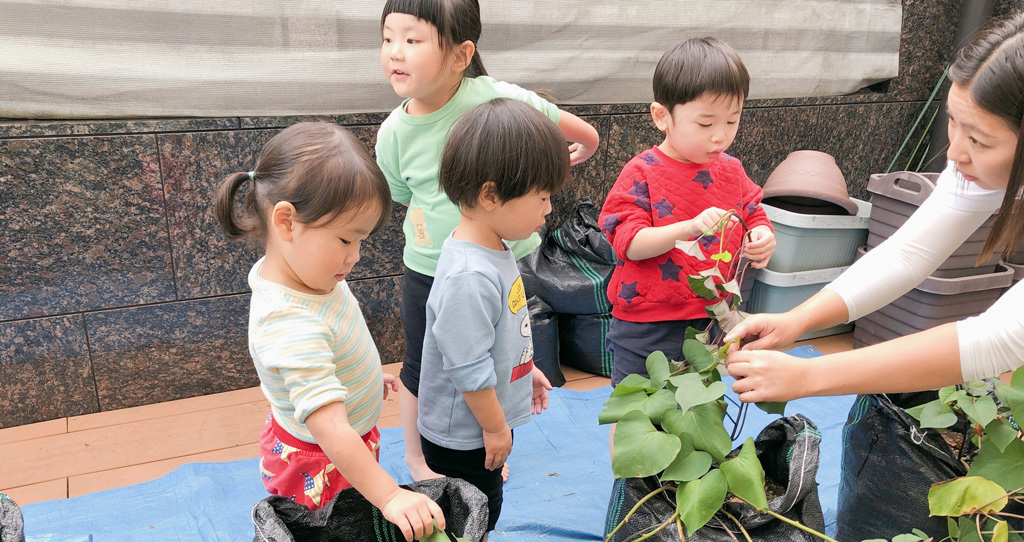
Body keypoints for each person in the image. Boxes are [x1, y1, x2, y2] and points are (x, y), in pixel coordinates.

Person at [724, 11, 1024, 403]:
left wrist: (810, 375)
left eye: (979, 141)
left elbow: (1000, 339)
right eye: (953, 122)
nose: (954, 152)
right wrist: (797, 319)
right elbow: (909, 252)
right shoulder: (970, 157)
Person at [376, 0, 601, 481]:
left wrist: (545, 173)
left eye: (412, 40)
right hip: (430, 266)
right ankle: (420, 459)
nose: (395, 52)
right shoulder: (394, 131)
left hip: (502, 260)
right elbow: (398, 194)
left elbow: (584, 136)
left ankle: (486, 441)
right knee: (423, 363)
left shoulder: (494, 98)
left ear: (460, 55)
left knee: (501, 346)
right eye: (388, 38)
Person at [215, 122, 445, 542]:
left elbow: (334, 343)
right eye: (345, 239)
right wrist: (391, 495)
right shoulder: (289, 323)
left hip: (342, 443)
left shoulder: (310, 274)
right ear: (286, 222)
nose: (355, 256)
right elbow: (330, 429)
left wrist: (361, 378)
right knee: (331, 540)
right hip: (319, 462)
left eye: (361, 241)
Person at [417, 98, 569, 542]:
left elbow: (501, 337)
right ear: (490, 195)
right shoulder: (468, 275)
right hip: (465, 431)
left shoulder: (496, 247)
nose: (549, 209)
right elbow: (466, 367)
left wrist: (529, 370)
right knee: (464, 516)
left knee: (487, 504)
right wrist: (496, 427)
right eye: (543, 196)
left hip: (486, 422)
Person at [599, 37, 776, 385]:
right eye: (706, 124)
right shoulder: (641, 172)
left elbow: (753, 211)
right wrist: (687, 228)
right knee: (639, 407)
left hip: (712, 317)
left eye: (732, 122)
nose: (719, 137)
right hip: (647, 322)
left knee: (694, 407)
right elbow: (629, 243)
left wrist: (763, 236)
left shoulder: (731, 169)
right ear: (662, 116)